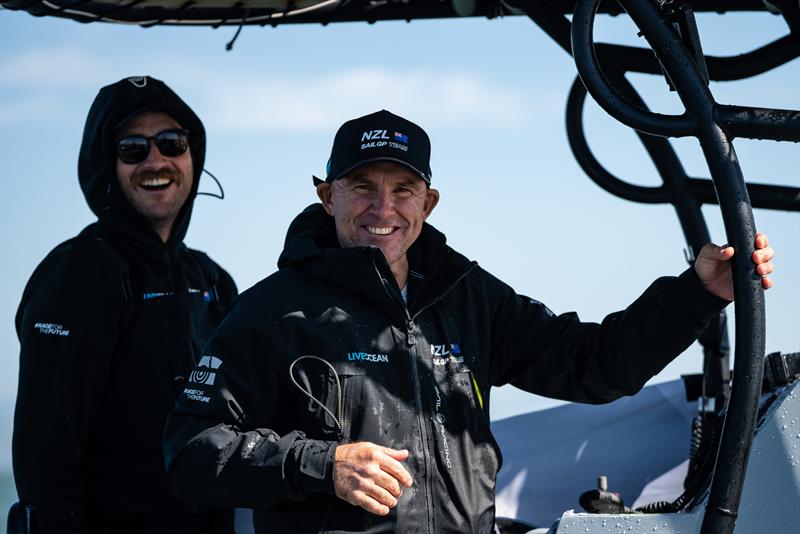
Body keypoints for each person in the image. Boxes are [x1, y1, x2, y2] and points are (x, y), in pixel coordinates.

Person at [163, 110, 774, 533]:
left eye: (403, 189)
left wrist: (699, 293)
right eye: (361, 186)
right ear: (327, 196)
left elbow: (595, 367)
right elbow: (191, 450)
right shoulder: (272, 310)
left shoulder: (469, 296)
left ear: (428, 203)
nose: (383, 208)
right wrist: (323, 464)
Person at [12, 76, 238, 533]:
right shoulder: (77, 275)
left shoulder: (212, 280)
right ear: (105, 166)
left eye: (172, 143)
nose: (156, 160)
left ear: (193, 155)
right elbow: (45, 453)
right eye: (132, 148)